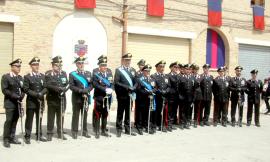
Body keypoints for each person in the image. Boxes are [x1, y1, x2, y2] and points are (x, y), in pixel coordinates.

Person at [23, 57, 47, 144]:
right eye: (34, 65)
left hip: (40, 101)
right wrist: (36, 94)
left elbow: (45, 87)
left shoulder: (42, 76)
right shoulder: (27, 77)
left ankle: (39, 134)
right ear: (31, 66)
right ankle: (27, 136)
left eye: (37, 64)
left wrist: (41, 93)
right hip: (31, 102)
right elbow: (26, 89)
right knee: (29, 119)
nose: (36, 66)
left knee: (39, 118)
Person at [1, 59, 25, 148]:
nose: (19, 68)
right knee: (9, 120)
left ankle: (12, 137)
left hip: (18, 103)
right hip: (10, 103)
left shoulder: (20, 78)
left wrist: (22, 96)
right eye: (17, 66)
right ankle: (6, 139)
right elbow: (4, 90)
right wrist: (15, 96)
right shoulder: (6, 77)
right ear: (12, 67)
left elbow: (23, 89)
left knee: (15, 120)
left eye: (20, 66)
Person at [45, 56, 69, 141]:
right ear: (52, 65)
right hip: (52, 99)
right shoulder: (48, 74)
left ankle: (60, 133)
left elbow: (67, 84)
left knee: (60, 117)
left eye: (60, 65)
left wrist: (65, 89)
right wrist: (58, 89)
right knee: (51, 117)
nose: (58, 67)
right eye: (56, 65)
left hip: (61, 99)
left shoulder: (64, 73)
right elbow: (47, 85)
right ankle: (49, 133)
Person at [114, 53, 137, 137]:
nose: (128, 61)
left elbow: (136, 81)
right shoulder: (119, 70)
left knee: (128, 113)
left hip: (130, 95)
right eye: (126, 60)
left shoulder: (133, 70)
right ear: (123, 60)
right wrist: (127, 87)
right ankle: (119, 129)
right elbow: (116, 82)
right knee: (120, 113)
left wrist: (134, 87)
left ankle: (127, 129)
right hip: (122, 95)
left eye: (129, 60)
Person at [69, 57, 92, 139]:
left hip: (86, 97)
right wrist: (80, 91)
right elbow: (71, 86)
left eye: (82, 63)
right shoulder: (72, 74)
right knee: (76, 115)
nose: (81, 65)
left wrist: (87, 90)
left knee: (85, 115)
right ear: (76, 64)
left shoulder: (88, 73)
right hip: (76, 98)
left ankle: (84, 131)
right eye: (79, 63)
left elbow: (91, 85)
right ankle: (74, 131)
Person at [92, 56, 113, 138]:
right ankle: (97, 131)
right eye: (102, 65)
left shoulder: (109, 73)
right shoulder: (96, 74)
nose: (104, 67)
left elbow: (112, 83)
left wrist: (111, 89)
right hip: (99, 97)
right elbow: (95, 84)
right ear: (99, 67)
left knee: (105, 114)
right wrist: (105, 89)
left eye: (105, 65)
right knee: (98, 114)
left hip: (107, 98)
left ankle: (103, 130)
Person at [135, 64, 156, 134]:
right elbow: (138, 89)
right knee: (140, 114)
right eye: (146, 71)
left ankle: (147, 126)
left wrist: (153, 91)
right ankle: (139, 127)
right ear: (143, 71)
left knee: (147, 113)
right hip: (141, 99)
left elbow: (155, 88)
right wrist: (148, 93)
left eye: (149, 71)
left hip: (149, 100)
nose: (147, 72)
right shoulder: (139, 79)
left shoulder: (152, 79)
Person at [151, 60, 170, 132]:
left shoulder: (166, 76)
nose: (162, 68)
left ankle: (161, 125)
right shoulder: (154, 76)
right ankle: (154, 125)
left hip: (164, 97)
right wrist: (160, 92)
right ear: (157, 68)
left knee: (163, 111)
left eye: (163, 67)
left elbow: (169, 86)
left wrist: (166, 91)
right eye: (160, 67)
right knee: (155, 111)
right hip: (157, 97)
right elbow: (153, 86)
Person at [178, 64, 197, 129]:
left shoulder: (193, 78)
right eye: (186, 69)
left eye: (189, 69)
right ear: (184, 70)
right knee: (182, 110)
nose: (188, 70)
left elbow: (195, 89)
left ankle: (187, 122)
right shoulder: (181, 78)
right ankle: (182, 123)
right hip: (183, 97)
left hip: (190, 98)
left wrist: (193, 98)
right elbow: (178, 88)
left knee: (189, 111)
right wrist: (180, 96)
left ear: (191, 70)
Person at [167, 62, 179, 130]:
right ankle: (169, 124)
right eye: (175, 67)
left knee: (174, 110)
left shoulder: (178, 75)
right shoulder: (168, 76)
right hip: (170, 96)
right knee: (170, 110)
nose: (176, 68)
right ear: (171, 68)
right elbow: (168, 86)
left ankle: (172, 123)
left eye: (177, 67)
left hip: (177, 96)